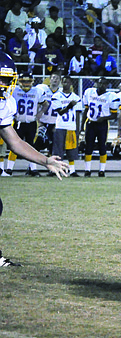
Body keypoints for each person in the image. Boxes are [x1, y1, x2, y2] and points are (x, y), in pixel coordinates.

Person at [0, 51, 69, 266]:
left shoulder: (4, 103)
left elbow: (15, 142)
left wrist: (45, 161)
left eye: (7, 79)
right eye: (0, 78)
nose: (4, 84)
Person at [6, 72, 45, 176]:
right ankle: (9, 169)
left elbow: (45, 103)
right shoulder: (14, 90)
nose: (26, 84)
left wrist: (40, 113)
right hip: (18, 122)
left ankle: (33, 169)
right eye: (24, 81)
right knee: (13, 144)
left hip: (32, 122)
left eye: (28, 81)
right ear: (19, 82)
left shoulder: (37, 91)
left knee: (31, 145)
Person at [82, 77, 120, 177]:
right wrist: (81, 126)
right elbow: (86, 110)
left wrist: (103, 118)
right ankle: (87, 170)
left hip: (102, 124)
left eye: (104, 84)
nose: (102, 85)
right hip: (90, 122)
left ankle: (102, 170)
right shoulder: (89, 92)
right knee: (88, 146)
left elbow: (114, 115)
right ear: (97, 84)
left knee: (102, 146)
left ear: (107, 85)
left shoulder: (111, 96)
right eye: (100, 83)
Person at [50, 76, 83, 177]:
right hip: (60, 126)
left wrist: (78, 130)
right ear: (61, 83)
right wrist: (69, 106)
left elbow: (77, 115)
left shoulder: (76, 98)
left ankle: (72, 170)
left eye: (68, 82)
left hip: (71, 127)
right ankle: (56, 169)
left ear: (71, 83)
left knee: (71, 150)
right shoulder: (56, 96)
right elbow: (60, 112)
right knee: (58, 150)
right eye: (64, 82)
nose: (66, 84)